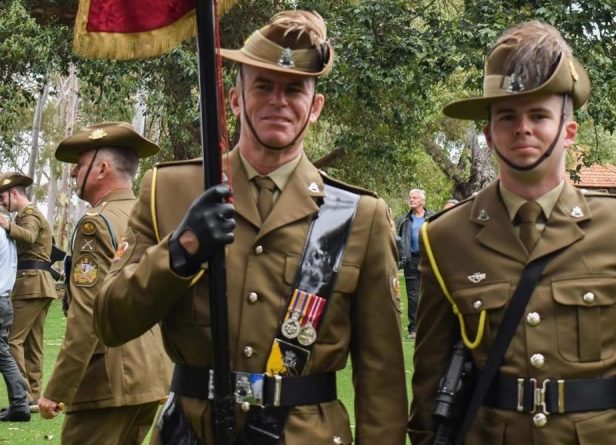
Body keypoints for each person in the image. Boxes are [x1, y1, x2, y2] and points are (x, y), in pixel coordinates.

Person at [96, 10, 407, 445]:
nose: (278, 100)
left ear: (315, 107)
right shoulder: (169, 190)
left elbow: (383, 379)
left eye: (295, 89)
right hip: (191, 433)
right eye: (262, 85)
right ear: (236, 99)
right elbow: (111, 321)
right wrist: (180, 253)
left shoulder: (358, 215)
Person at [408, 20, 616, 444]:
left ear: (568, 131)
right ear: (488, 134)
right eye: (506, 116)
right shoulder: (446, 238)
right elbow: (429, 383)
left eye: (539, 115)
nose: (522, 128)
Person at [34, 123, 172, 444]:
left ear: (101, 170)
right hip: (151, 376)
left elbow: (86, 316)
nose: (72, 175)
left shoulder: (95, 224)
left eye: (79, 166)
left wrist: (57, 390)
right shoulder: (150, 215)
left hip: (108, 380)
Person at [0, 171, 57, 409]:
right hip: (40, 283)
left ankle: (21, 397)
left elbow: (30, 236)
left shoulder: (29, 214)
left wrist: (7, 225)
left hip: (30, 283)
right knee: (33, 344)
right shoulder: (27, 214)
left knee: (12, 339)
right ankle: (33, 396)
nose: (1, 203)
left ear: (14, 194)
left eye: (2, 197)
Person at [0, 190, 29, 422]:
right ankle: (19, 403)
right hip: (5, 298)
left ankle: (20, 402)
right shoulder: (6, 233)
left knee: (2, 353)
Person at [396, 189, 433, 339]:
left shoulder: (433, 217)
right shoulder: (404, 220)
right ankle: (414, 328)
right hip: (410, 261)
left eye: (414, 197)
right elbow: (396, 239)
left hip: (428, 260)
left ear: (422, 201)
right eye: (410, 197)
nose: (411, 200)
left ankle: (429, 327)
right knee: (413, 296)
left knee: (429, 294)